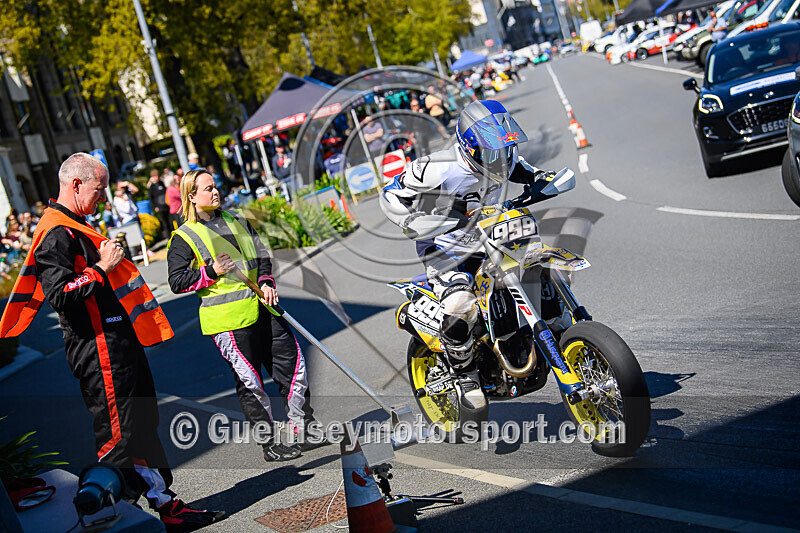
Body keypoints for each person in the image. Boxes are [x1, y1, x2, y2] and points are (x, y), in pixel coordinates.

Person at [0, 153, 223, 530]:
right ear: (75, 184)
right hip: (98, 349)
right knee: (118, 437)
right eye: (99, 189)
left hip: (119, 342)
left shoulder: (75, 224)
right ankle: (108, 514)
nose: (103, 198)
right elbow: (61, 295)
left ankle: (164, 504)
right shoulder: (55, 231)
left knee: (143, 424)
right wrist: (101, 267)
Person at [380, 100, 560, 409]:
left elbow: (530, 173)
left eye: (504, 150)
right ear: (470, 146)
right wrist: (411, 221)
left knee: (538, 266)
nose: (500, 160)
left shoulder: (505, 159)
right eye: (493, 154)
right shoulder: (436, 168)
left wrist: (544, 181)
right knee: (461, 302)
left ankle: (560, 330)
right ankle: (465, 376)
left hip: (490, 236)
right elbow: (390, 193)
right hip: (444, 245)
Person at [167, 169, 325, 462]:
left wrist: (266, 281)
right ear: (191, 196)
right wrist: (211, 271)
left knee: (293, 369)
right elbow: (177, 281)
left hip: (264, 306)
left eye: (216, 187)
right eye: (208, 188)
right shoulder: (184, 236)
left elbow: (262, 255)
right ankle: (270, 444)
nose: (216, 192)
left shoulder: (236, 219)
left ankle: (302, 430)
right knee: (251, 383)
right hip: (228, 321)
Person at [147, 169, 170, 240]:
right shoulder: (152, 187)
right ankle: (168, 236)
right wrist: (155, 207)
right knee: (164, 222)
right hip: (160, 207)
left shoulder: (161, 183)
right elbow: (151, 198)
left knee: (170, 221)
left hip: (166, 205)